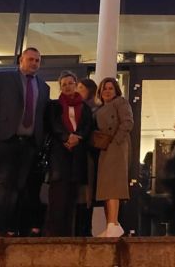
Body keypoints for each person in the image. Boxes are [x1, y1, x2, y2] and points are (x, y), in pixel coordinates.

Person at [0, 47, 50, 237]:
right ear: (21, 60)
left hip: (29, 144)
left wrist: (40, 142)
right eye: (30, 59)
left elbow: (41, 115)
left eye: (37, 60)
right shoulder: (3, 78)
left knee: (21, 186)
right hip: (6, 140)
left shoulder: (43, 87)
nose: (34, 63)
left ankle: (13, 228)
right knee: (2, 184)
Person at [42, 71, 92, 236]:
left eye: (70, 83)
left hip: (77, 156)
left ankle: (68, 235)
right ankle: (53, 235)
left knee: (72, 198)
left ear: (76, 85)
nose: (68, 87)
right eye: (64, 84)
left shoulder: (85, 107)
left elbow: (87, 126)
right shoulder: (54, 106)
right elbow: (53, 124)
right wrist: (66, 137)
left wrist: (78, 137)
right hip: (59, 155)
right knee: (57, 198)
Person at [94, 77, 133, 238]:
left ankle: (113, 223)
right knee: (106, 187)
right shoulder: (100, 108)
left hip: (115, 147)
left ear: (116, 90)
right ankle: (112, 224)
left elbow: (127, 122)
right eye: (104, 88)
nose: (107, 91)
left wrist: (116, 140)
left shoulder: (120, 103)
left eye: (111, 88)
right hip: (105, 147)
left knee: (113, 186)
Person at [75, 77, 99, 237]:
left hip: (88, 155)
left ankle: (85, 228)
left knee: (86, 193)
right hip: (77, 154)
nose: (77, 91)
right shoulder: (76, 107)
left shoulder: (95, 109)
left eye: (81, 88)